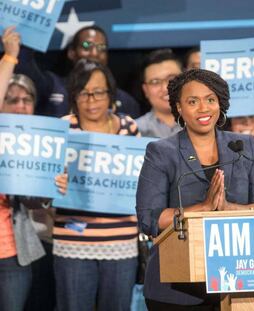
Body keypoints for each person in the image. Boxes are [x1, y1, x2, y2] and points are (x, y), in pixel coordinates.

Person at [136, 69, 254, 309]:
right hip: (176, 291)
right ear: (179, 107)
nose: (203, 108)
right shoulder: (161, 152)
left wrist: (228, 208)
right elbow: (150, 218)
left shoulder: (243, 146)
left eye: (210, 99)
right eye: (193, 101)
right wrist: (203, 208)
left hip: (239, 287)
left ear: (220, 103)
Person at [52, 59, 140, 311]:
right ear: (73, 96)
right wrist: (55, 184)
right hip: (73, 241)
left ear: (110, 94)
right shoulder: (63, 128)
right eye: (83, 93)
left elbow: (139, 181)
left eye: (98, 92)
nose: (91, 100)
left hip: (120, 242)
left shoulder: (128, 127)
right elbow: (46, 189)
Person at [0, 26, 67, 311]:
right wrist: (10, 57)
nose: (20, 105)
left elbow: (34, 200)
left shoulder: (41, 141)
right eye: (11, 99)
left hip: (13, 252)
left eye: (27, 99)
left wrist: (53, 188)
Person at [15, 25, 141, 118]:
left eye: (101, 48)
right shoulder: (52, 86)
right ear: (71, 53)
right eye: (86, 46)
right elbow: (24, 67)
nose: (94, 53)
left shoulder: (126, 101)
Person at [135, 49, 182, 138]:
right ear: (145, 90)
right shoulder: (134, 130)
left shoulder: (206, 123)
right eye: (155, 82)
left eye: (171, 79)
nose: (165, 88)